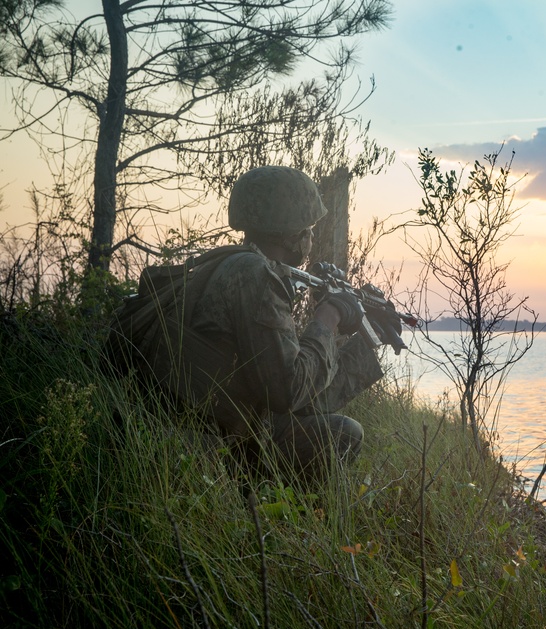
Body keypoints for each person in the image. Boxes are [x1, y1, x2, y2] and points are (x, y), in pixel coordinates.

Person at [111, 166, 384, 479]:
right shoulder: (257, 277)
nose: (310, 236)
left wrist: (352, 339)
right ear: (292, 233)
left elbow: (275, 380)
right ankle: (283, 519)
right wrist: (330, 315)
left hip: (191, 423)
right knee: (345, 432)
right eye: (308, 227)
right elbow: (288, 391)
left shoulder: (229, 263)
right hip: (212, 441)